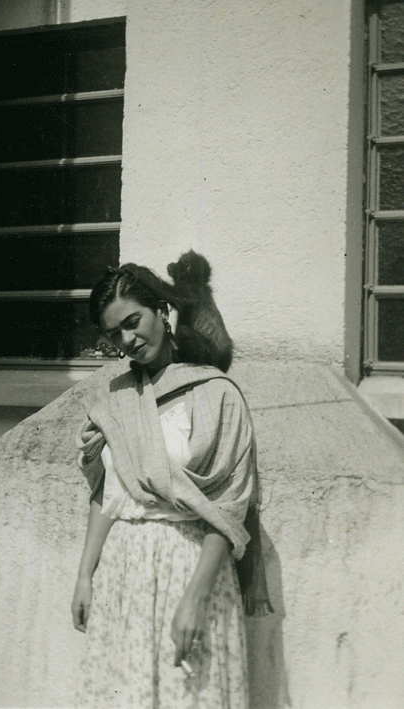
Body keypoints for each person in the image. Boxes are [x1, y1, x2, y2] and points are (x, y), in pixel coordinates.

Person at [72, 264, 268, 709]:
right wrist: (85, 575)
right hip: (125, 574)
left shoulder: (217, 393)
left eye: (132, 322)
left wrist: (195, 599)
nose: (127, 340)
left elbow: (228, 505)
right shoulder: (117, 395)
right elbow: (109, 494)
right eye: (113, 335)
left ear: (161, 310)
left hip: (190, 568)